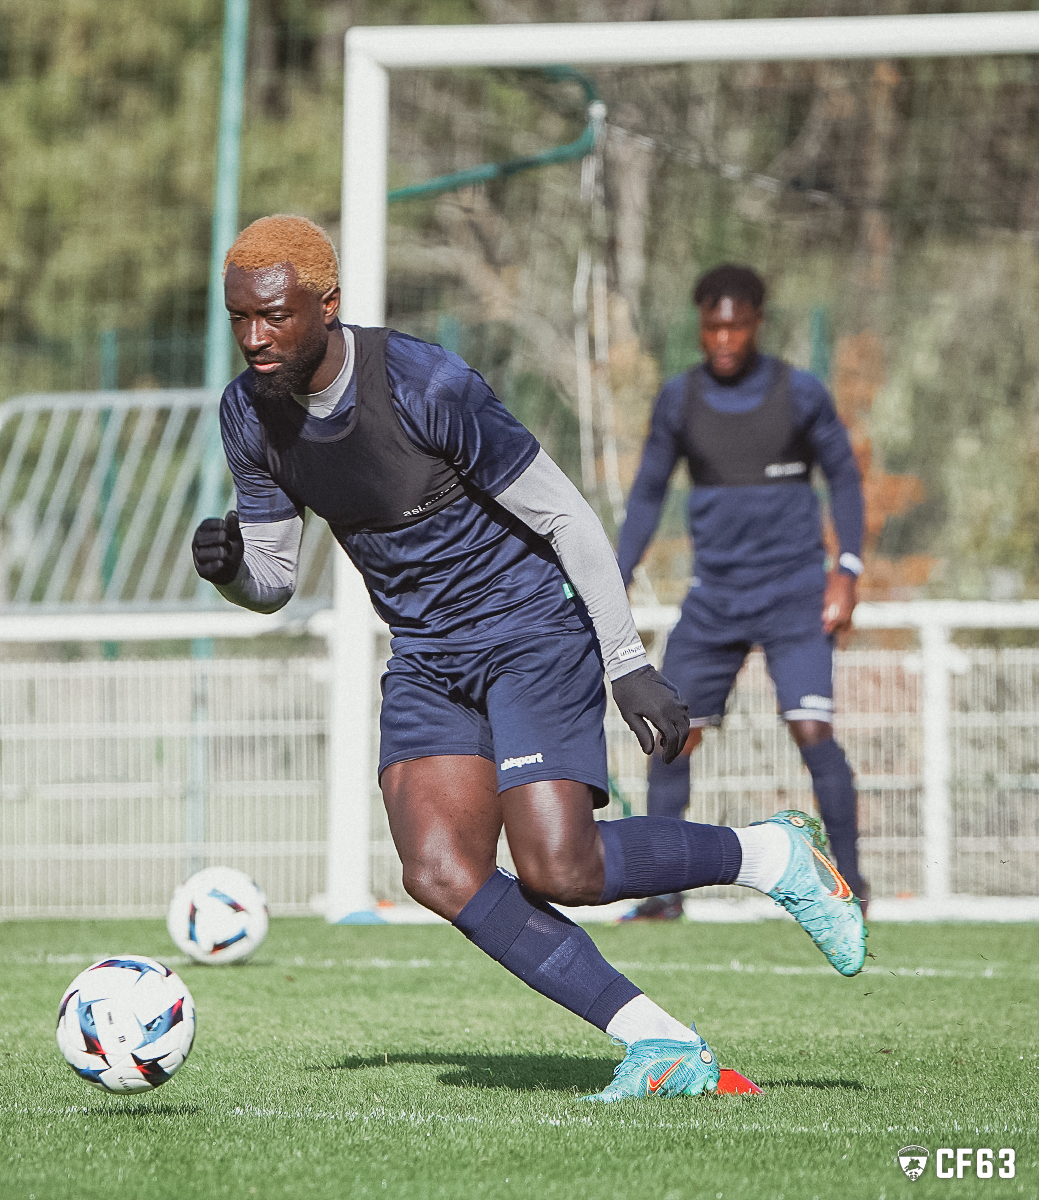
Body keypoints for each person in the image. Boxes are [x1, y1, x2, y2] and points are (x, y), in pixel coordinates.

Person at [192, 216, 865, 1102]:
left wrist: (625, 662)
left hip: (529, 630)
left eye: (273, 316)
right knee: (437, 870)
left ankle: (770, 856)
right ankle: (660, 1044)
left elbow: (566, 517)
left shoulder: (429, 383)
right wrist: (233, 571)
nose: (254, 338)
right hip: (428, 653)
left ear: (328, 305)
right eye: (239, 318)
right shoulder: (247, 413)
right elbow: (275, 575)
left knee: (560, 868)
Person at [615, 265, 867, 923]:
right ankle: (661, 894)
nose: (724, 337)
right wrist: (612, 574)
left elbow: (844, 478)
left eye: (736, 324)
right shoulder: (679, 400)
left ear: (755, 323)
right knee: (672, 735)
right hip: (715, 598)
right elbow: (646, 494)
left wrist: (848, 569)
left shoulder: (799, 393)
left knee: (811, 727)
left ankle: (853, 887)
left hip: (794, 595)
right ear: (701, 326)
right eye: (713, 325)